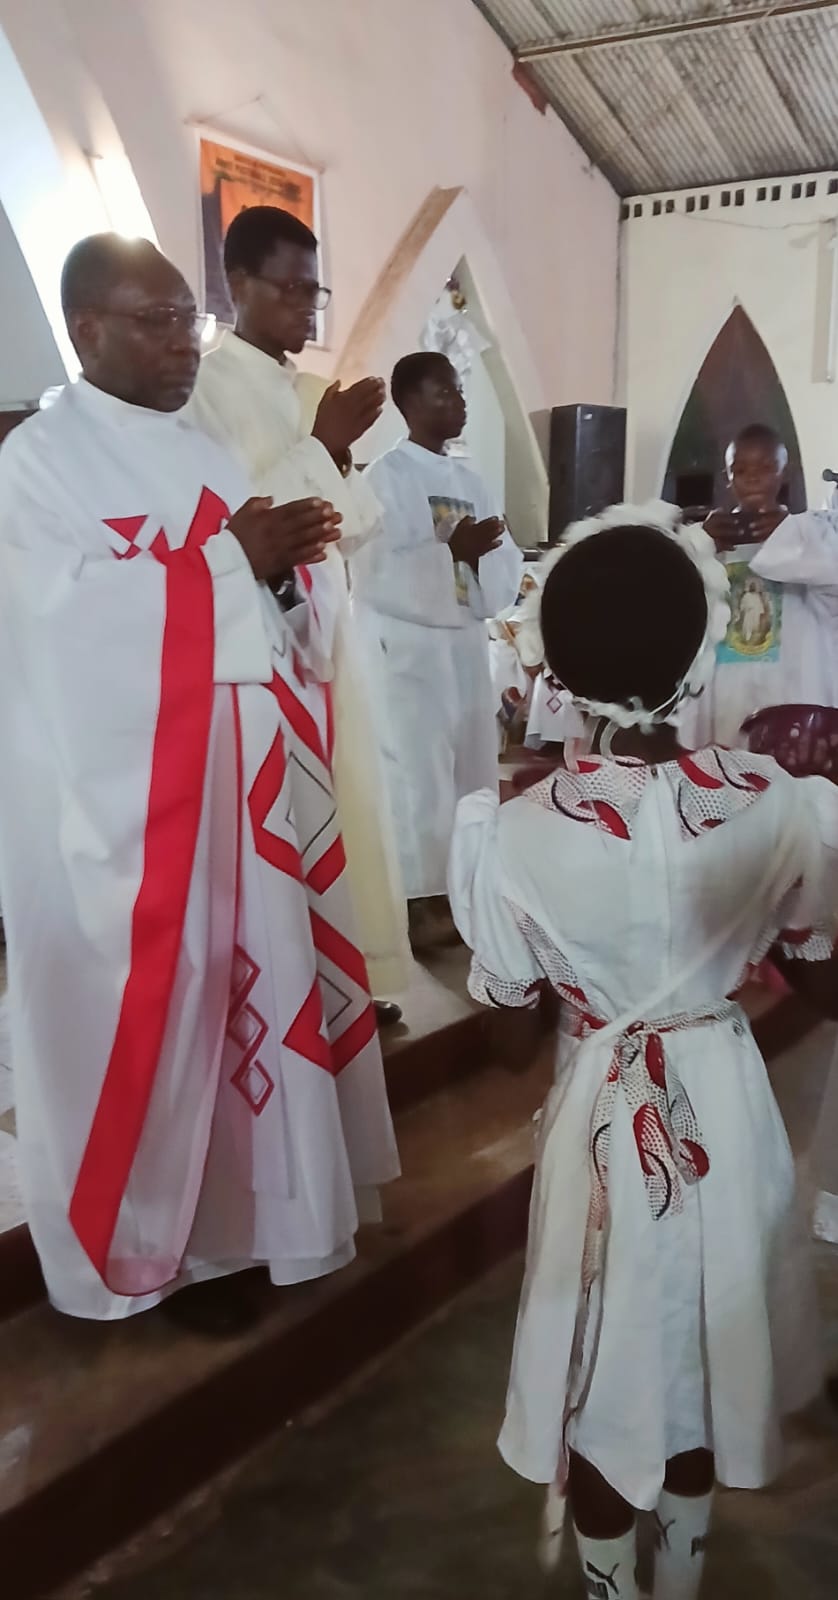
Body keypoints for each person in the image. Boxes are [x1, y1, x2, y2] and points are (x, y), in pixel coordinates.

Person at [0, 234, 399, 1326]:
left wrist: (290, 574)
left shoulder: (206, 452)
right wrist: (235, 564)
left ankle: (260, 1228)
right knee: (163, 1025)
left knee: (251, 1015)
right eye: (157, 322)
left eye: (189, 320)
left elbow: (274, 616)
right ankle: (159, 1250)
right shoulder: (38, 464)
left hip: (247, 811)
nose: (185, 344)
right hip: (138, 819)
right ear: (87, 330)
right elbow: (58, 633)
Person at [448, 501, 838, 1599]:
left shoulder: (513, 833)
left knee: (608, 1369)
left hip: (604, 1120)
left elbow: (511, 1039)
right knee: (705, 1353)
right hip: (724, 1097)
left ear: (556, 672)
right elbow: (818, 977)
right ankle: (683, 1578)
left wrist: (571, 971)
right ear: (699, 656)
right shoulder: (778, 805)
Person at [188, 206, 410, 1023]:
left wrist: (336, 449)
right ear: (237, 285)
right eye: (288, 288)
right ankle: (292, 995)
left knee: (349, 804)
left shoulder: (313, 391)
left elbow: (355, 526)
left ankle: (349, 987)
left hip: (328, 634)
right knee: (287, 814)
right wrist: (322, 447)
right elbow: (235, 522)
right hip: (260, 642)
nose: (305, 307)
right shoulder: (201, 393)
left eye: (313, 291)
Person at [349, 352, 523, 947]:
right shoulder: (386, 477)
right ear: (408, 403)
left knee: (471, 767)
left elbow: (505, 559)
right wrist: (451, 553)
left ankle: (468, 887)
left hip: (463, 645)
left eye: (459, 391)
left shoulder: (472, 480)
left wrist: (479, 558)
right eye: (444, 392)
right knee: (416, 775)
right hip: (407, 650)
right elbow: (373, 568)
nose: (459, 402)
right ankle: (420, 900)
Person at [686, 423, 838, 746]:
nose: (753, 478)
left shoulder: (812, 532)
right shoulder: (712, 537)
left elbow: (831, 577)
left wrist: (787, 535)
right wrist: (699, 545)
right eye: (740, 470)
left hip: (793, 697)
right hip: (726, 695)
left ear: (785, 472)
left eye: (766, 468)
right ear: (728, 477)